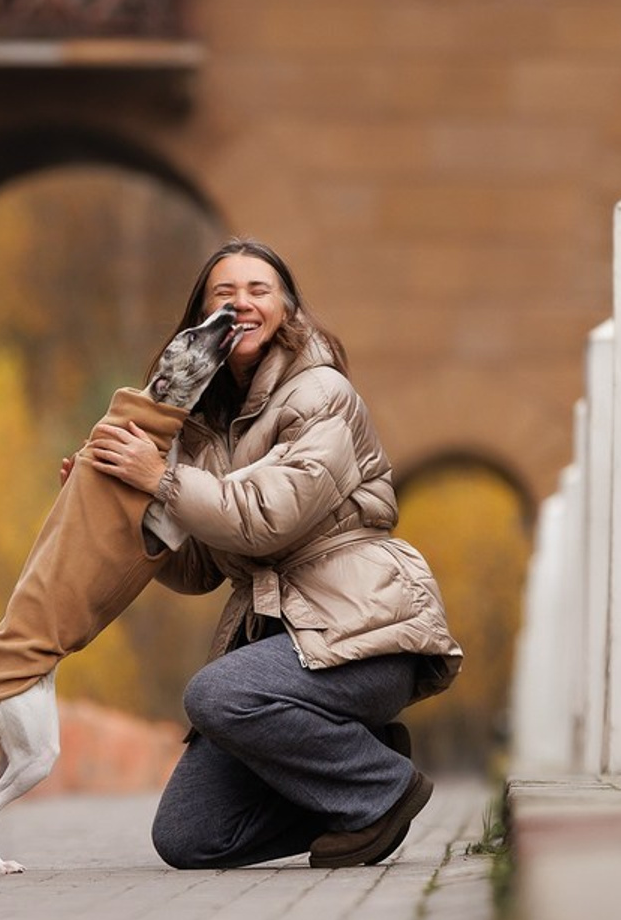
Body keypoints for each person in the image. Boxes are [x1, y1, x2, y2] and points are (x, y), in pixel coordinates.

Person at [84, 238, 462, 869]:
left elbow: (268, 518)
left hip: (363, 636)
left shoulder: (322, 396)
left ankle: (378, 787)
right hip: (280, 649)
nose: (242, 304)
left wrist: (162, 480)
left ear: (287, 308)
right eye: (223, 294)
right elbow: (203, 565)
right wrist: (119, 501)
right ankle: (356, 764)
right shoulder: (207, 424)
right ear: (201, 316)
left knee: (215, 695)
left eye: (258, 291)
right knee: (190, 837)